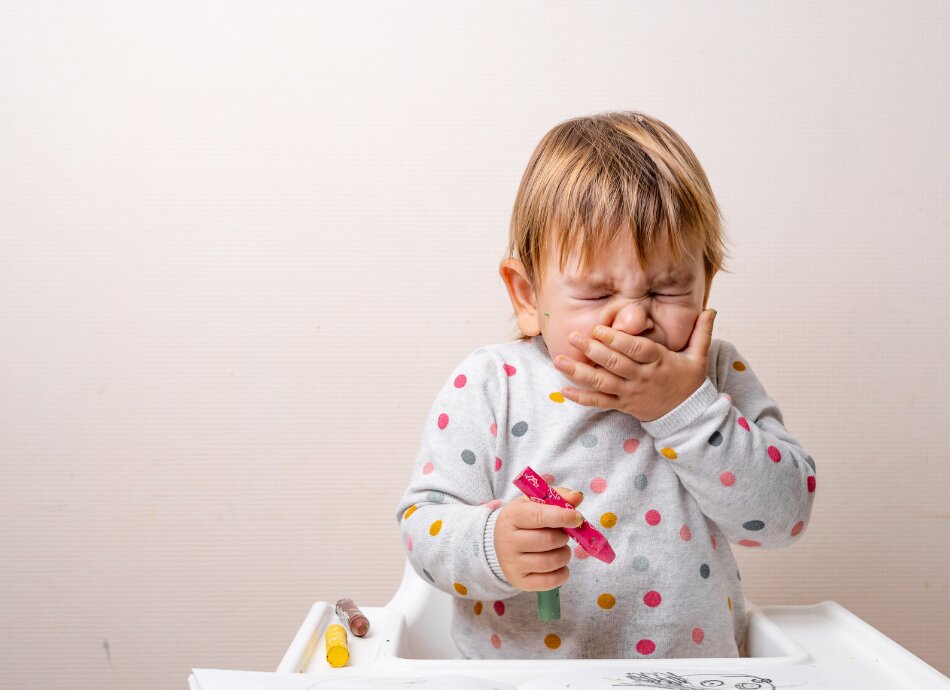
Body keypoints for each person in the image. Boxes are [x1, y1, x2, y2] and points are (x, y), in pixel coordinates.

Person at [395, 111, 816, 659]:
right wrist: (493, 546)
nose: (633, 321)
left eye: (667, 290)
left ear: (705, 283)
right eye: (596, 295)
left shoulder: (713, 375)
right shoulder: (491, 384)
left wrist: (685, 410)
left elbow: (785, 519)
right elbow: (423, 527)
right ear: (527, 297)